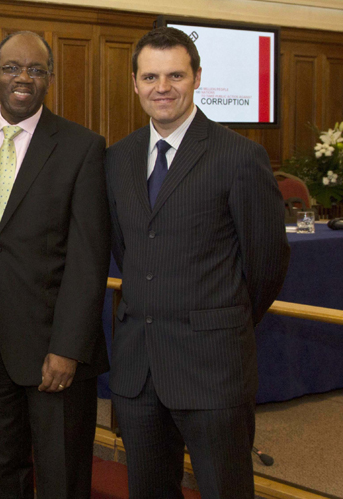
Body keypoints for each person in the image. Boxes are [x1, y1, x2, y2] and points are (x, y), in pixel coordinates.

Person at [105, 27, 290, 498]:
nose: (162, 87)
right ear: (134, 83)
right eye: (150, 76)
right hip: (138, 367)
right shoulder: (117, 159)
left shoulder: (240, 157)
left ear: (197, 77)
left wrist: (220, 320)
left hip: (212, 368)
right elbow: (130, 253)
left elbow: (266, 263)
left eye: (175, 75)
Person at [0, 31, 111, 498]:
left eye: (36, 70)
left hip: (52, 354)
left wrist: (68, 348)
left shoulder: (83, 147)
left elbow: (88, 257)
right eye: (13, 68)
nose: (24, 78)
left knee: (61, 476)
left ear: (49, 79)